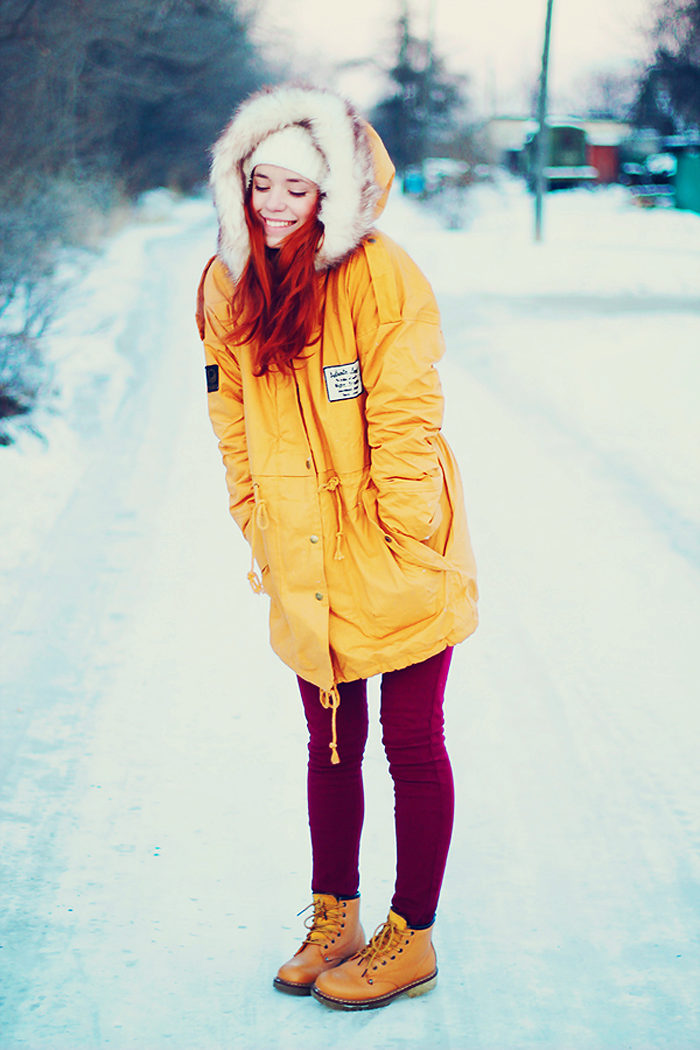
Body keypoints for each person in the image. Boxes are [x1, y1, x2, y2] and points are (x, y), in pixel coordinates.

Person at [195, 83, 478, 1011]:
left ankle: (412, 935)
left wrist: (407, 531)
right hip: (300, 551)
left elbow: (406, 410)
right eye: (260, 184)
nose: (274, 205)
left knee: (411, 742)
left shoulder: (377, 273)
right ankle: (336, 918)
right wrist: (255, 514)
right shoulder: (227, 282)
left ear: (334, 194)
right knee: (329, 744)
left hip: (395, 541)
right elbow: (229, 413)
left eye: (297, 188)